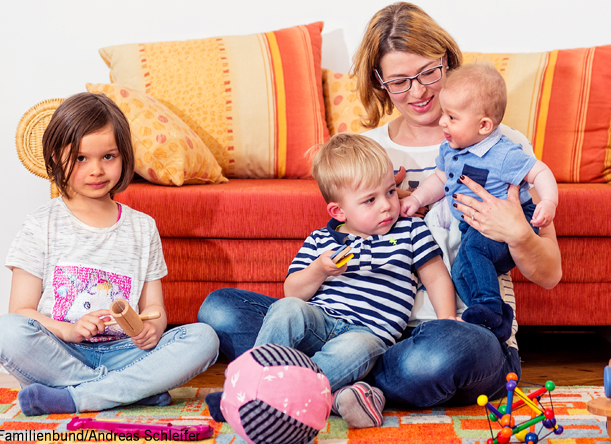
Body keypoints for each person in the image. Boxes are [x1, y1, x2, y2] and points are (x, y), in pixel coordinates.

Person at [198, 2, 562, 409]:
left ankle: (299, 385)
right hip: (356, 328)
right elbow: (342, 244)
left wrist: (518, 233)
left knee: (442, 355)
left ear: (448, 61)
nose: (419, 92)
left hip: (448, 333)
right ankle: (345, 384)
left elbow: (550, 273)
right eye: (400, 81)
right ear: (379, 82)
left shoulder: (497, 143)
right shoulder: (370, 153)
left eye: (428, 72)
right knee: (222, 309)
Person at [0, 92, 219, 416]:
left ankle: (78, 397)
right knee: (5, 332)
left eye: (108, 156)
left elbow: (155, 309)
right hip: (64, 352)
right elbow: (22, 311)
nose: (96, 170)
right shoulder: (40, 224)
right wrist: (68, 330)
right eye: (81, 158)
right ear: (56, 158)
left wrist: (150, 328)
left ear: (124, 156)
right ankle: (128, 391)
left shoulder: (143, 228)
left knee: (204, 338)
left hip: (126, 352)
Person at [209, 133, 458, 428]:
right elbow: (292, 292)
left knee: (354, 351)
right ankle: (255, 384)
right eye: (370, 200)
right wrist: (319, 270)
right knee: (287, 309)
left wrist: (447, 319)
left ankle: (274, 399)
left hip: (369, 334)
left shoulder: (411, 230)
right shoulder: (321, 239)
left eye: (391, 192)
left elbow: (436, 275)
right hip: (321, 321)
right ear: (339, 211)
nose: (386, 206)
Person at [400, 63, 558, 334]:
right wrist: (416, 199)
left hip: (504, 227)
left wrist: (548, 202)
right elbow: (440, 179)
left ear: (484, 125)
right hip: (473, 228)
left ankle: (489, 307)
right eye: (443, 114)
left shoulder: (503, 153)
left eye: (451, 117)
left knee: (472, 252)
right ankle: (493, 318)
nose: (442, 122)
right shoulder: (452, 148)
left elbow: (540, 171)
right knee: (462, 268)